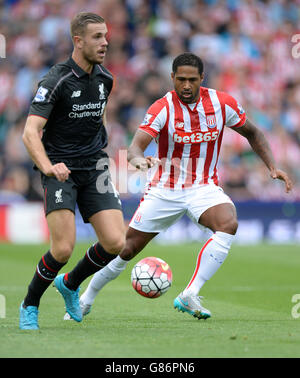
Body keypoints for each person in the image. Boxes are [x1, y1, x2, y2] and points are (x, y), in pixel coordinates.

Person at [75, 52, 293, 321]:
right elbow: (135, 146)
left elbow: (254, 132)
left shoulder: (221, 103)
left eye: (192, 79)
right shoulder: (162, 107)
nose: (186, 86)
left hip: (203, 186)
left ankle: (190, 293)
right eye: (181, 80)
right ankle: (86, 298)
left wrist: (271, 166)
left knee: (228, 223)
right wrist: (138, 160)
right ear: (172, 79)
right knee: (125, 248)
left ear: (202, 78)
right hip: (165, 189)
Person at [19, 12, 126, 330]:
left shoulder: (106, 79)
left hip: (95, 167)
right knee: (63, 248)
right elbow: (29, 133)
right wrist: (49, 168)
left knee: (116, 243)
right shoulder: (56, 80)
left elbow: (99, 117)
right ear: (77, 41)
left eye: (105, 36)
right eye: (97, 37)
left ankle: (70, 283)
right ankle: (30, 304)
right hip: (60, 170)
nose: (105, 42)